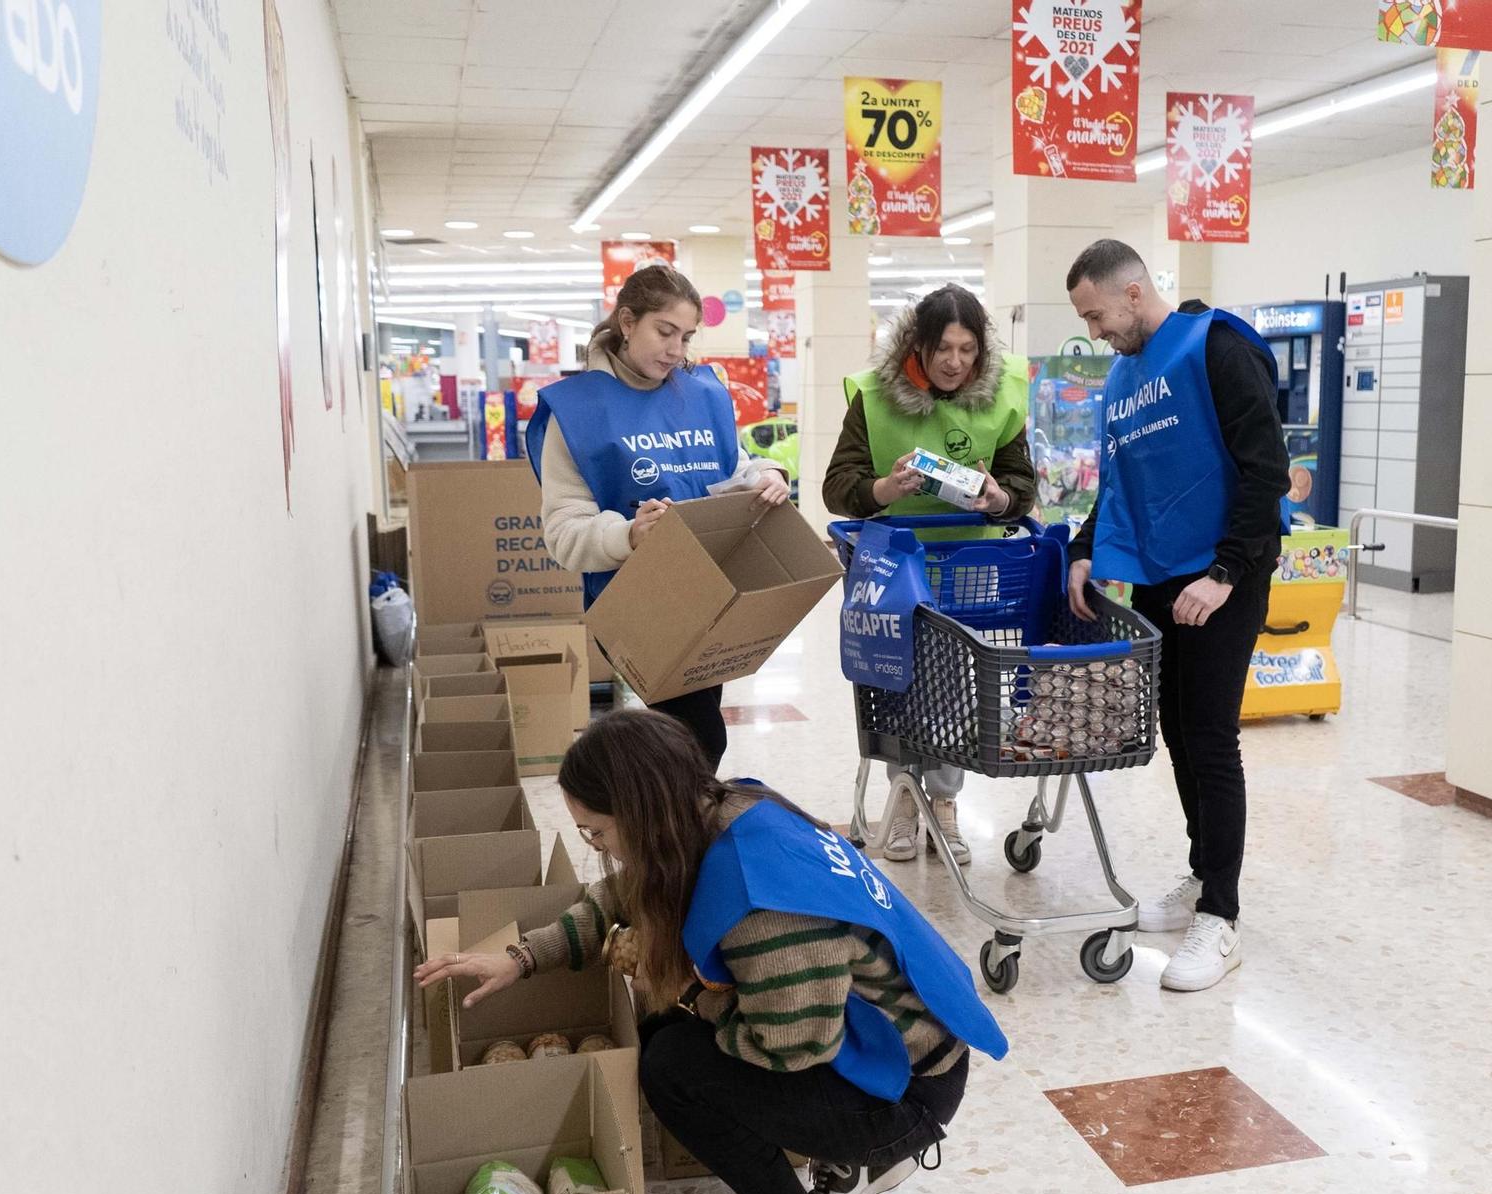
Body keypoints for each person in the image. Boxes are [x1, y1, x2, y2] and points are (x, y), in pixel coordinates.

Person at [413, 710, 1007, 1194]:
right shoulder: (723, 807)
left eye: (597, 833)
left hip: (908, 1093)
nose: (598, 849)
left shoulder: (766, 913)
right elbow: (622, 894)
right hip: (886, 1047)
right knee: (667, 1027)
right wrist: (522, 958)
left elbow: (792, 1049)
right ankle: (846, 1165)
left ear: (644, 816)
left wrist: (689, 994)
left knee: (673, 1064)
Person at [1063, 239, 1289, 993]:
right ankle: (1201, 877)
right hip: (1161, 579)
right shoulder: (1124, 378)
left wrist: (1226, 571)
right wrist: (1087, 548)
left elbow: (1267, 470)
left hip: (1224, 575)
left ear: (1134, 292)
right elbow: (1117, 482)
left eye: (1097, 314)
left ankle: (1220, 917)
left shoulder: (1216, 347)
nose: (1095, 333)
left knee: (1213, 737)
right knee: (1179, 732)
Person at [526, 265, 789, 768]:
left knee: (691, 736)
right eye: (664, 332)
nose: (676, 350)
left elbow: (732, 471)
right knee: (700, 738)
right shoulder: (576, 412)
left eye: (686, 337)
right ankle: (671, 834)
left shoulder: (702, 394)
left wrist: (766, 476)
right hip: (635, 605)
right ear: (627, 322)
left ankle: (661, 831)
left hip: (710, 593)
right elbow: (562, 533)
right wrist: (629, 534)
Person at [823, 283, 1037, 864]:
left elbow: (1022, 486)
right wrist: (882, 489)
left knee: (953, 687)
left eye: (968, 350)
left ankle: (944, 802)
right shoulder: (872, 395)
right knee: (897, 683)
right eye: (944, 348)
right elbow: (836, 484)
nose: (955, 362)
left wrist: (998, 500)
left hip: (969, 568)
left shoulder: (1005, 394)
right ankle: (903, 799)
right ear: (917, 343)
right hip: (893, 565)